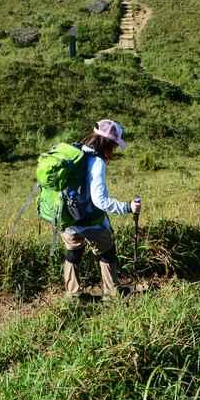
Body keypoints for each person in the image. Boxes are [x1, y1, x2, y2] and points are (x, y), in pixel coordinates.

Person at [60, 120, 141, 301]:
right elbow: (100, 201)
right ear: (108, 143)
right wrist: (127, 207)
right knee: (107, 251)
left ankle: (73, 294)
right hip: (89, 219)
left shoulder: (75, 152)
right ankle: (111, 292)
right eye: (114, 145)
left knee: (73, 253)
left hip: (67, 218)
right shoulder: (96, 162)